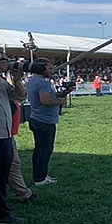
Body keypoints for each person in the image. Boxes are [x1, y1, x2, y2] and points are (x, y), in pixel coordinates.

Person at [0, 44, 27, 223]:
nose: (3, 63)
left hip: (4, 136)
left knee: (0, 178)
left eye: (3, 59)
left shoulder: (1, 81)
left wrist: (17, 80)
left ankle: (1, 213)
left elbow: (19, 97)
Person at [27, 57, 74, 186]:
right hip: (44, 121)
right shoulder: (43, 83)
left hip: (37, 119)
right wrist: (60, 101)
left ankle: (38, 175)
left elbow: (46, 97)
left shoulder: (33, 81)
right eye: (49, 67)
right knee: (45, 150)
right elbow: (46, 101)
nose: (52, 70)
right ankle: (41, 178)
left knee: (39, 149)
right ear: (41, 67)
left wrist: (62, 94)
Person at [8, 99, 38, 202]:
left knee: (13, 164)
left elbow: (21, 95)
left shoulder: (5, 87)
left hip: (7, 134)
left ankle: (23, 193)